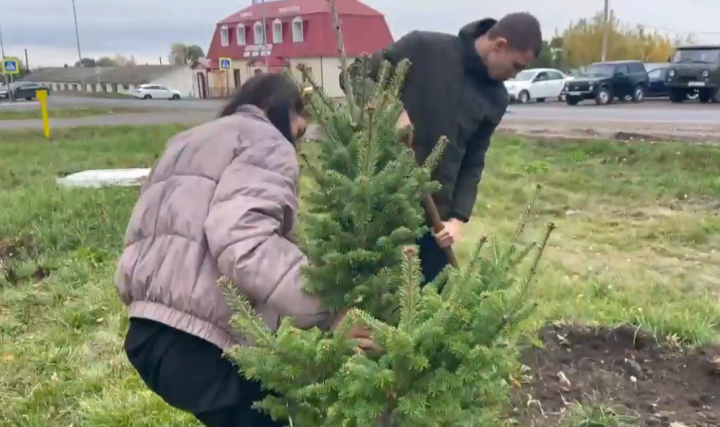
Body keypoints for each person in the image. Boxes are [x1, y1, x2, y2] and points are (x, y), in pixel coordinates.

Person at [115, 73, 372, 427]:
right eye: (298, 133)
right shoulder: (267, 142)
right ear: (286, 110)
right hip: (203, 345)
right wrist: (330, 308)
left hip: (146, 333)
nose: (296, 146)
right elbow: (245, 241)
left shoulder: (187, 140)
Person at [343, 13, 542, 283]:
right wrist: (391, 108)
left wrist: (457, 220)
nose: (514, 75)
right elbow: (355, 76)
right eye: (516, 66)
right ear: (499, 45)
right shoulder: (423, 48)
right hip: (378, 203)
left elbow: (474, 160)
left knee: (432, 302)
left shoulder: (496, 98)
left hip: (434, 217)